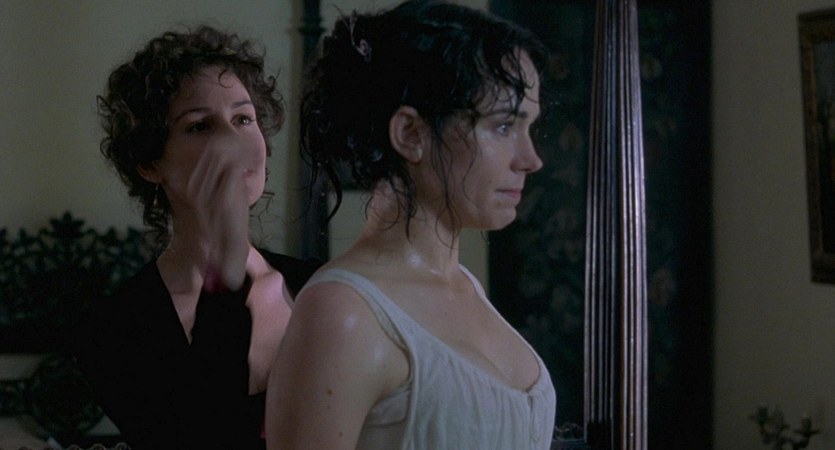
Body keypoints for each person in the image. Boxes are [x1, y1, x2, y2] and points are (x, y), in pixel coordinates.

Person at [265, 1, 556, 449]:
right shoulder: (343, 313)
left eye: (529, 128)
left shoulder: (465, 287)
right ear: (411, 134)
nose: (531, 159)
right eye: (503, 127)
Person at [73, 25, 321, 450]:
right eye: (200, 126)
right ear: (150, 164)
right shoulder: (115, 332)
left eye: (243, 119)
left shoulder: (322, 287)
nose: (233, 142)